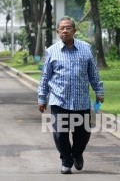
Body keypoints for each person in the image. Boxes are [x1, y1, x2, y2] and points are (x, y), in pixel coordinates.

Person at [37, 16, 104, 174]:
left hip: (81, 100)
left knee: (83, 133)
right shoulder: (51, 51)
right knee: (60, 134)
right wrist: (42, 98)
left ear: (74, 30)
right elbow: (45, 77)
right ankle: (66, 161)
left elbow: (93, 73)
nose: (65, 30)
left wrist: (99, 91)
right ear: (57, 31)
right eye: (62, 28)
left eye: (68, 28)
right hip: (59, 100)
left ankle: (77, 154)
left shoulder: (86, 49)